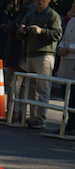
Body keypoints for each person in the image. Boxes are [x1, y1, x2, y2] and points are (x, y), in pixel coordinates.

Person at [17, 0, 63, 129]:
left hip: (45, 55)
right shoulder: (31, 15)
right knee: (31, 88)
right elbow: (20, 34)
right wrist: (21, 31)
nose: (40, 1)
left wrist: (41, 31)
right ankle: (32, 117)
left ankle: (41, 119)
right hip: (31, 54)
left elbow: (58, 34)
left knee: (42, 88)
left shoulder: (53, 16)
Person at [3, 0, 36, 122]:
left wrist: (9, 26)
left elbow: (20, 26)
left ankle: (13, 112)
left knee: (13, 85)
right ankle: (19, 112)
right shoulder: (31, 7)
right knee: (22, 87)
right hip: (24, 54)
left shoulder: (29, 8)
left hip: (18, 53)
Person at [55, 2, 75, 135]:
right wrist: (60, 48)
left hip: (73, 62)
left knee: (74, 96)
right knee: (66, 95)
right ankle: (69, 123)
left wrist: (70, 48)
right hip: (65, 61)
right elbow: (64, 38)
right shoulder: (72, 21)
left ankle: (72, 125)